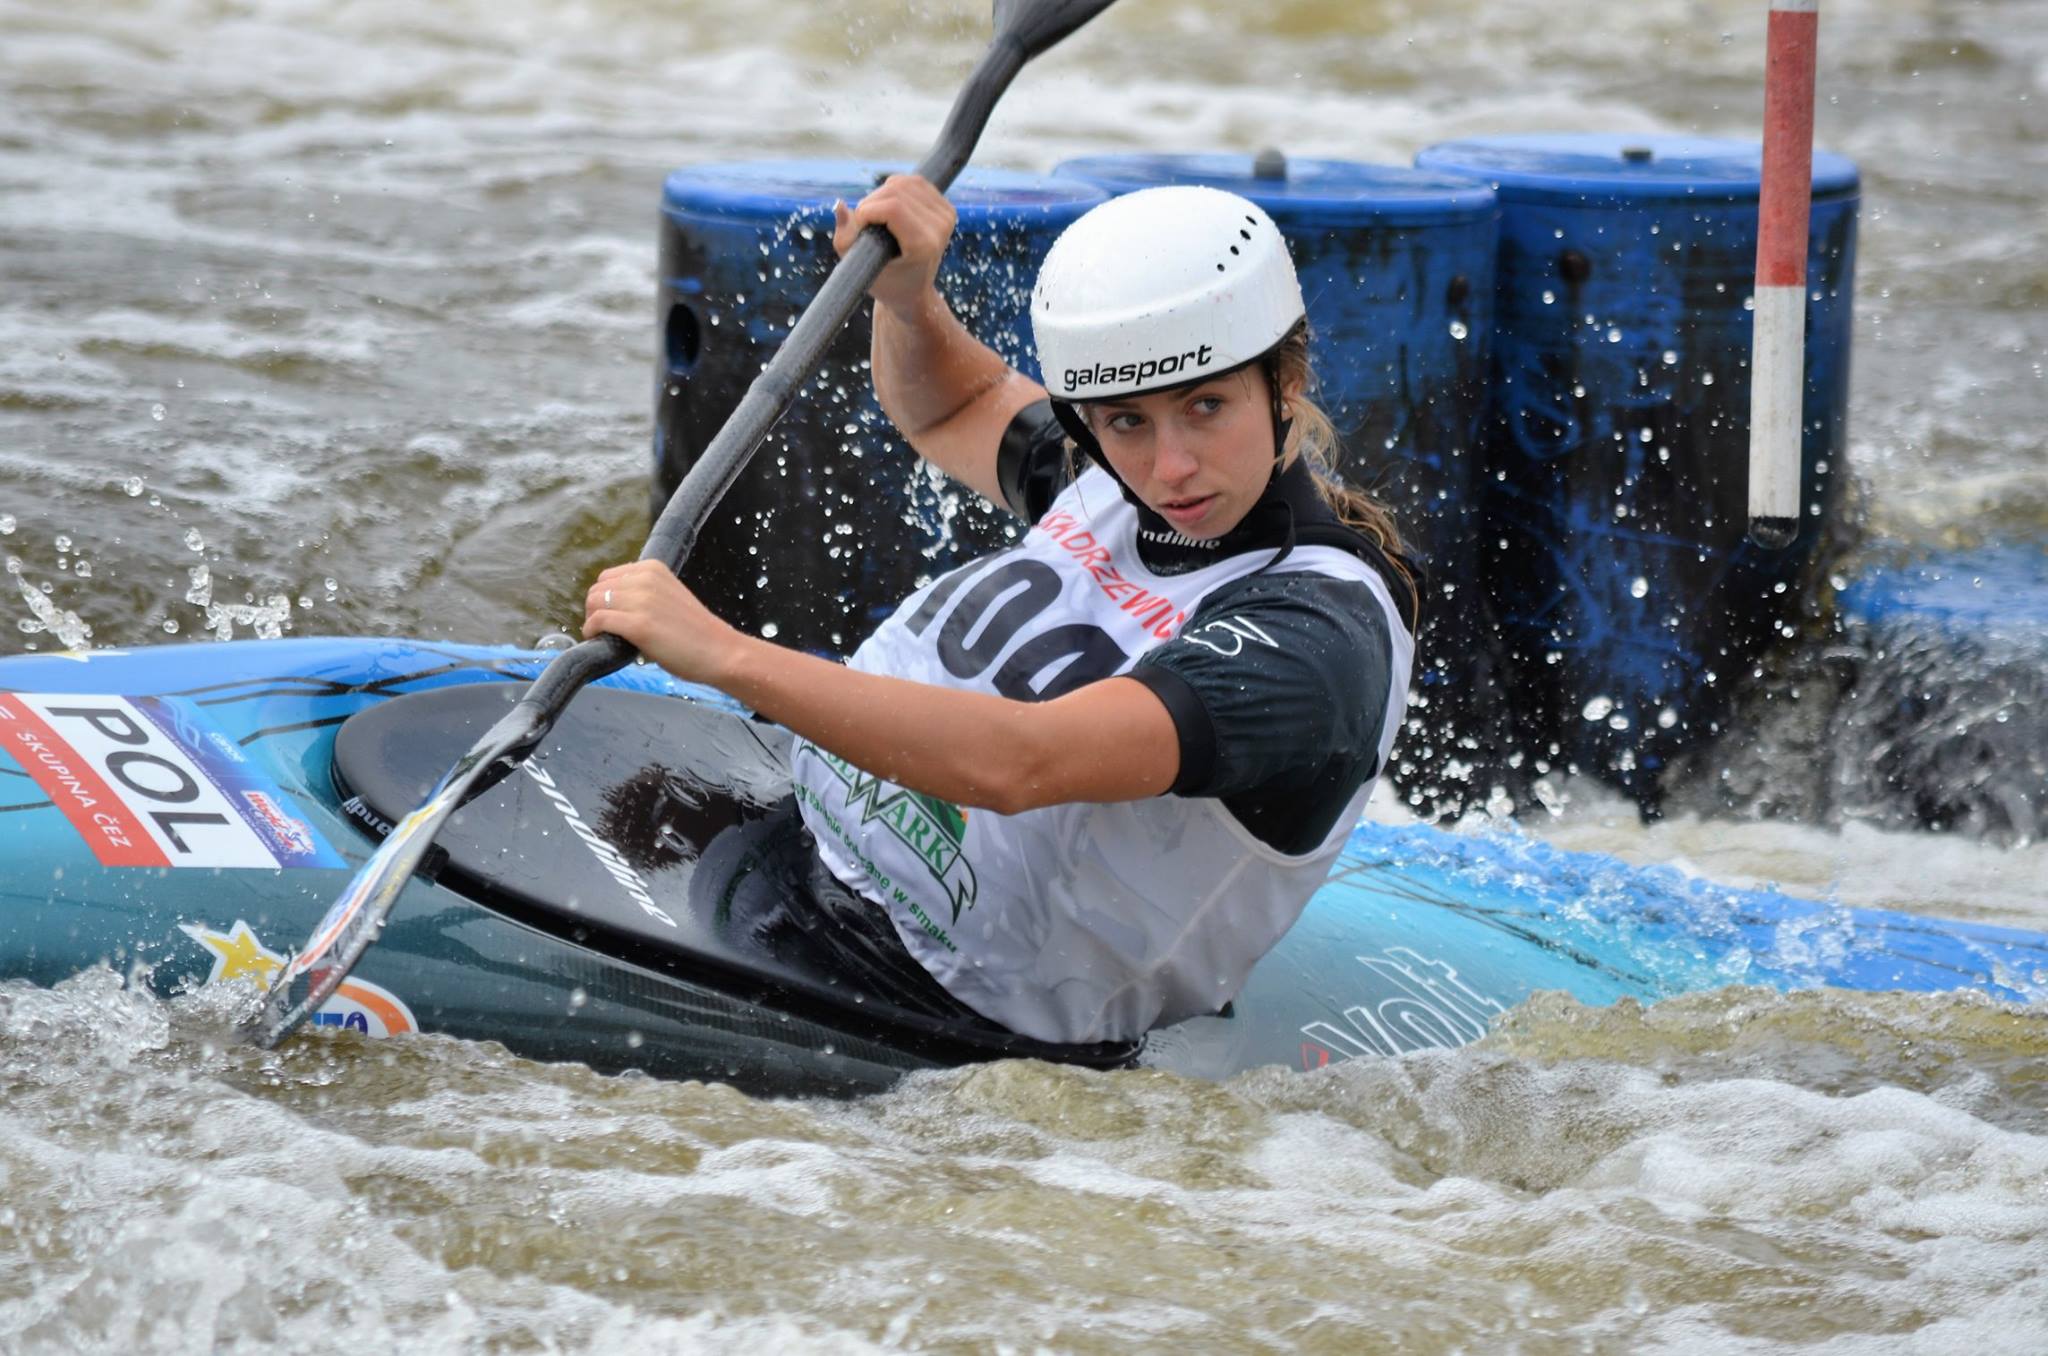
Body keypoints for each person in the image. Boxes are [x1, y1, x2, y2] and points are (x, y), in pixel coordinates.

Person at [584, 175, 1417, 1047]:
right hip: (802, 862)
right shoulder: (1121, 482)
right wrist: (908, 303)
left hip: (946, 1022)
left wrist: (724, 653)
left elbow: (1022, 763)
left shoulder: (1314, 636)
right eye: (1125, 422)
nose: (1171, 466)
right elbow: (954, 406)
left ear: (1284, 380)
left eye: (1206, 408)